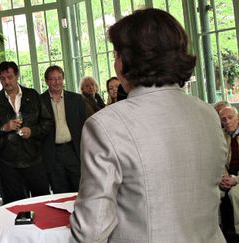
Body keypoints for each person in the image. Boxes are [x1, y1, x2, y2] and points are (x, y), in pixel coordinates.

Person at [70, 8, 227, 243]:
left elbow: (92, 231)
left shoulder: (105, 125)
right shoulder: (208, 114)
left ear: (126, 61)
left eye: (116, 55)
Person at [0, 61, 52, 204]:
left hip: (34, 159)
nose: (7, 81)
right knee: (16, 207)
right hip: (8, 163)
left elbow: (48, 122)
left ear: (17, 76)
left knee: (42, 202)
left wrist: (32, 131)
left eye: (10, 77)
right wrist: (4, 128)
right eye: (3, 79)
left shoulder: (32, 95)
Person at [40, 65, 86, 193]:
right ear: (47, 81)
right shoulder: (39, 101)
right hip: (52, 153)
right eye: (53, 79)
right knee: (60, 192)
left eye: (59, 78)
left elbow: (85, 125)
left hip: (73, 150)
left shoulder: (76, 99)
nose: (57, 82)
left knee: (80, 190)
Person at [219, 106, 239, 235]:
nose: (227, 122)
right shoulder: (221, 136)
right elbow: (218, 160)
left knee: (235, 193)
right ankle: (217, 231)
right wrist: (223, 178)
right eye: (224, 119)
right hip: (229, 176)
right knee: (212, 192)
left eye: (230, 117)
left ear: (238, 118)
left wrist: (236, 180)